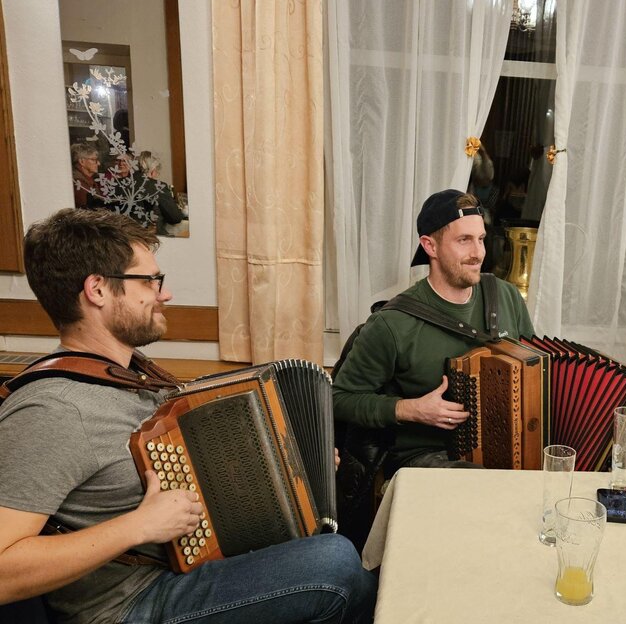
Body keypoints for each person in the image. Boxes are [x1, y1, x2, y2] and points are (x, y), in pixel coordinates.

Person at [0, 208, 376, 623]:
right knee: (334, 564)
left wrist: (297, 465)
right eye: (149, 281)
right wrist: (138, 527)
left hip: (186, 568)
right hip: (131, 603)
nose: (165, 294)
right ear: (97, 290)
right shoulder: (53, 409)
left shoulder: (134, 374)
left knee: (345, 536)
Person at [332, 189, 535, 476]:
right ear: (430, 246)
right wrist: (411, 409)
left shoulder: (507, 297)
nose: (478, 253)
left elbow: (536, 372)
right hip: (425, 457)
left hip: (504, 449)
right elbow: (339, 399)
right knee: (485, 489)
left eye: (480, 239)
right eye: (464, 241)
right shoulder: (393, 323)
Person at [137, 151, 186, 236]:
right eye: (157, 172)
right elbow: (175, 217)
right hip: (153, 237)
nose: (157, 175)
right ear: (152, 170)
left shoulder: (125, 185)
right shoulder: (158, 187)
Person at [70, 142, 101, 209]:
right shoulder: (78, 184)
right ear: (82, 162)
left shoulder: (89, 180)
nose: (98, 163)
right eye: (93, 160)